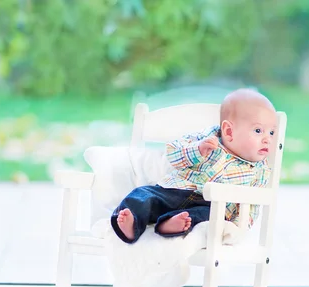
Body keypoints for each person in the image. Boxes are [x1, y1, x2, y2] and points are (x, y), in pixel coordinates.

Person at [111, 88, 276, 244]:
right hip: (176, 190)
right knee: (142, 195)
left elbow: (252, 205)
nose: (267, 139)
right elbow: (172, 153)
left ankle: (169, 225)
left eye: (271, 132)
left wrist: (238, 229)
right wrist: (197, 149)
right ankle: (132, 224)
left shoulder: (260, 171)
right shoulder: (208, 138)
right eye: (258, 130)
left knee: (206, 219)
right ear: (229, 131)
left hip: (211, 205)